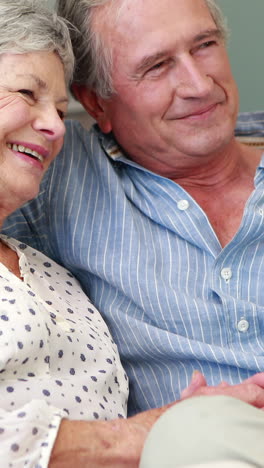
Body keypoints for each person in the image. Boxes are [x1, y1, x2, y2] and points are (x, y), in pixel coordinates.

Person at [3, 0, 264, 466]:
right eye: (157, 66)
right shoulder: (54, 173)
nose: (199, 85)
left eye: (204, 46)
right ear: (97, 103)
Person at [0, 1, 129, 466]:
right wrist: (127, 440)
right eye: (26, 93)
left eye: (59, 107)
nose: (57, 126)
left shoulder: (56, 277)